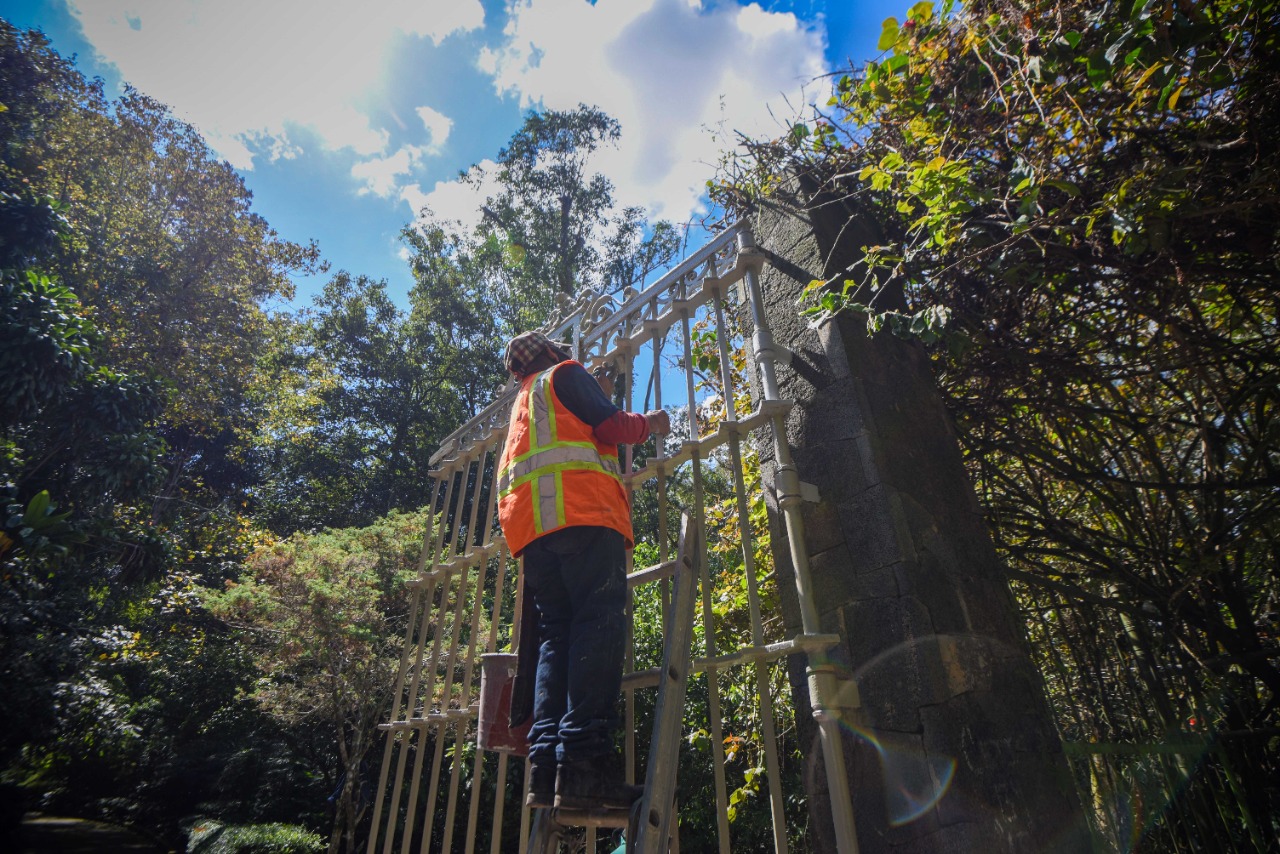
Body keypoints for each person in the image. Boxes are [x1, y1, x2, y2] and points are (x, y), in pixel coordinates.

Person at [497, 331, 669, 811]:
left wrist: (600, 391)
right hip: (582, 515)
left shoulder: (524, 402)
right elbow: (612, 426)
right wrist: (652, 423)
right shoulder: (565, 374)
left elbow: (569, 433)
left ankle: (545, 768)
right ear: (553, 353)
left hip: (534, 533)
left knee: (557, 636)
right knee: (598, 624)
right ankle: (584, 765)